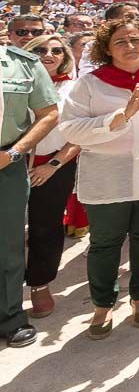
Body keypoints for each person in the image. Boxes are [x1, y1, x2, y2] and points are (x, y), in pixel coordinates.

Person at [58, 18, 139, 339]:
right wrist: (120, 118)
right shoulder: (91, 84)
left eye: (136, 40)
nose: (130, 46)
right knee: (105, 245)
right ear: (106, 48)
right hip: (106, 179)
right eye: (120, 41)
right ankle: (102, 304)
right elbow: (71, 129)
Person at [0, 33, 60, 348]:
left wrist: (14, 152)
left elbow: (48, 113)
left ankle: (10, 318)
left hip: (5, 164)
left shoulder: (24, 65)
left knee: (7, 247)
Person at [22, 34, 80, 320]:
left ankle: (39, 283)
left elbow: (81, 134)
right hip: (11, 161)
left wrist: (53, 165)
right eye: (41, 49)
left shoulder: (75, 88)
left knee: (45, 226)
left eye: (57, 50)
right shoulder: (12, 82)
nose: (49, 54)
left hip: (55, 164)